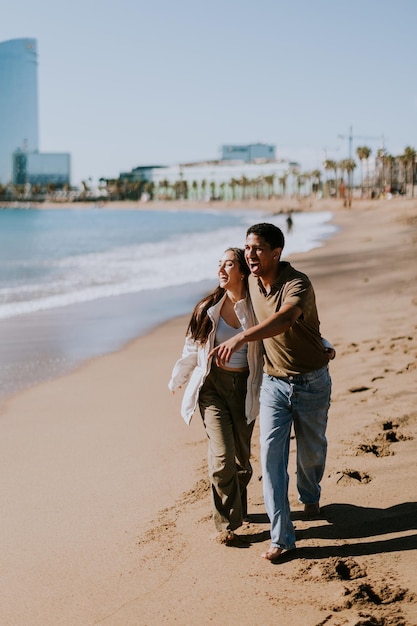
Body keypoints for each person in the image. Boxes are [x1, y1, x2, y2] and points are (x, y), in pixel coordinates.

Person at [210, 223, 333, 562]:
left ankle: (309, 492)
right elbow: (227, 288)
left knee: (311, 454)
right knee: (270, 460)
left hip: (311, 382)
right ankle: (282, 539)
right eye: (247, 247)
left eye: (258, 248)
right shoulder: (250, 281)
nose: (250, 254)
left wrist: (241, 338)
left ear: (276, 252)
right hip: (274, 384)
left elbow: (286, 320)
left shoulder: (297, 283)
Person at [168, 248, 263, 544]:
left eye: (229, 264)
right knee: (222, 458)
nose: (221, 270)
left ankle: (239, 501)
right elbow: (191, 348)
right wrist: (180, 378)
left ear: (243, 271)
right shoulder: (207, 307)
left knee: (241, 461)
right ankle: (227, 525)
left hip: (245, 388)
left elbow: (285, 330)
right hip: (212, 388)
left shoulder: (258, 306)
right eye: (219, 264)